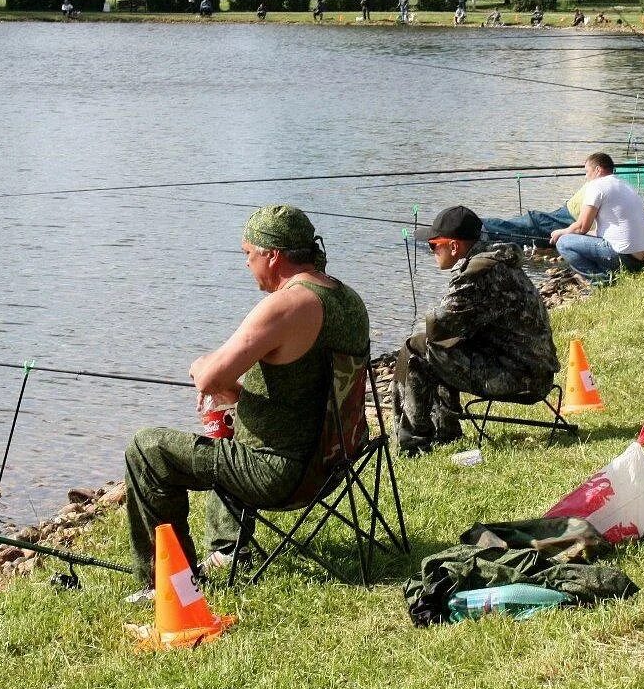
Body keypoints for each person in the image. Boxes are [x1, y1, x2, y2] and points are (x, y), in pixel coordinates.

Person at [123, 205, 369, 589]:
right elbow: (303, 390)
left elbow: (208, 377)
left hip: (282, 474)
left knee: (146, 449)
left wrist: (200, 364)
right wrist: (237, 396)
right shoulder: (347, 298)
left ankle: (168, 585)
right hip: (337, 459)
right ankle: (227, 549)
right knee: (228, 426)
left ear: (273, 256)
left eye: (248, 255)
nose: (247, 265)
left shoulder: (287, 305)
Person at [392, 206, 558, 454]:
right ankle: (445, 431)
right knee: (441, 346)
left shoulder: (479, 272)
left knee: (415, 348)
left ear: (454, 246)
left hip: (521, 378)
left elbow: (438, 326)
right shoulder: (497, 261)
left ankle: (413, 445)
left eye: (434, 245)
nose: (432, 251)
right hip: (533, 369)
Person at [549, 153, 644, 285]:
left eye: (587, 172)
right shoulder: (624, 184)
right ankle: (611, 272)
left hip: (625, 257)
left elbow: (582, 227)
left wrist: (561, 232)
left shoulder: (596, 186)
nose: (586, 176)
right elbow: (598, 232)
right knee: (582, 237)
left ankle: (601, 281)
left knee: (564, 243)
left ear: (598, 170)